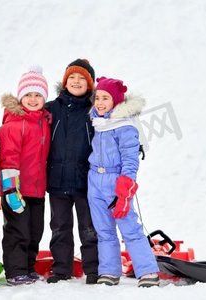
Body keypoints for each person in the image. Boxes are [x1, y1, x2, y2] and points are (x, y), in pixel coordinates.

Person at [87, 77, 160, 288]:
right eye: (97, 98)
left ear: (116, 101)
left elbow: (130, 159)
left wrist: (125, 186)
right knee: (104, 230)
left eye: (105, 98)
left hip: (115, 180)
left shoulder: (125, 126)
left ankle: (147, 271)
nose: (100, 103)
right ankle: (109, 271)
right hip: (94, 180)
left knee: (129, 228)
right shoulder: (97, 122)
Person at [45, 59, 99, 284]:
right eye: (72, 78)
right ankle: (61, 269)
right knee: (60, 227)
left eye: (82, 79)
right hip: (57, 179)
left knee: (89, 227)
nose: (76, 82)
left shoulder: (96, 109)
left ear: (90, 84)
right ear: (65, 81)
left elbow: (117, 128)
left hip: (86, 180)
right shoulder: (51, 108)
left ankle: (94, 270)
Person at [0, 65, 51, 285]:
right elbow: (8, 159)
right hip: (16, 190)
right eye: (28, 95)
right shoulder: (14, 125)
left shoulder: (44, 122)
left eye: (38, 95)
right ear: (20, 98)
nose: (33, 99)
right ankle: (15, 271)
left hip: (37, 189)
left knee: (34, 232)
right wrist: (10, 190)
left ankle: (28, 268)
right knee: (17, 231)